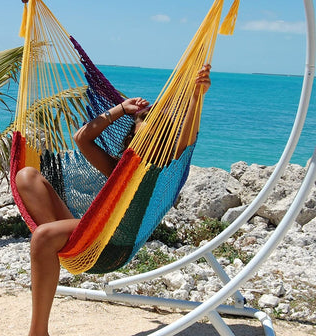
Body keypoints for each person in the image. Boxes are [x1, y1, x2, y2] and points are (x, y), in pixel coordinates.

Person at [15, 64, 211, 336]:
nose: (143, 133)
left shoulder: (161, 166)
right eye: (141, 127)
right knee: (26, 176)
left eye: (151, 130)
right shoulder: (119, 167)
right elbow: (81, 138)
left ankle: (38, 332)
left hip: (113, 244)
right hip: (91, 233)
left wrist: (196, 96)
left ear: (162, 139)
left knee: (44, 237)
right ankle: (62, 246)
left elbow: (187, 139)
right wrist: (121, 108)